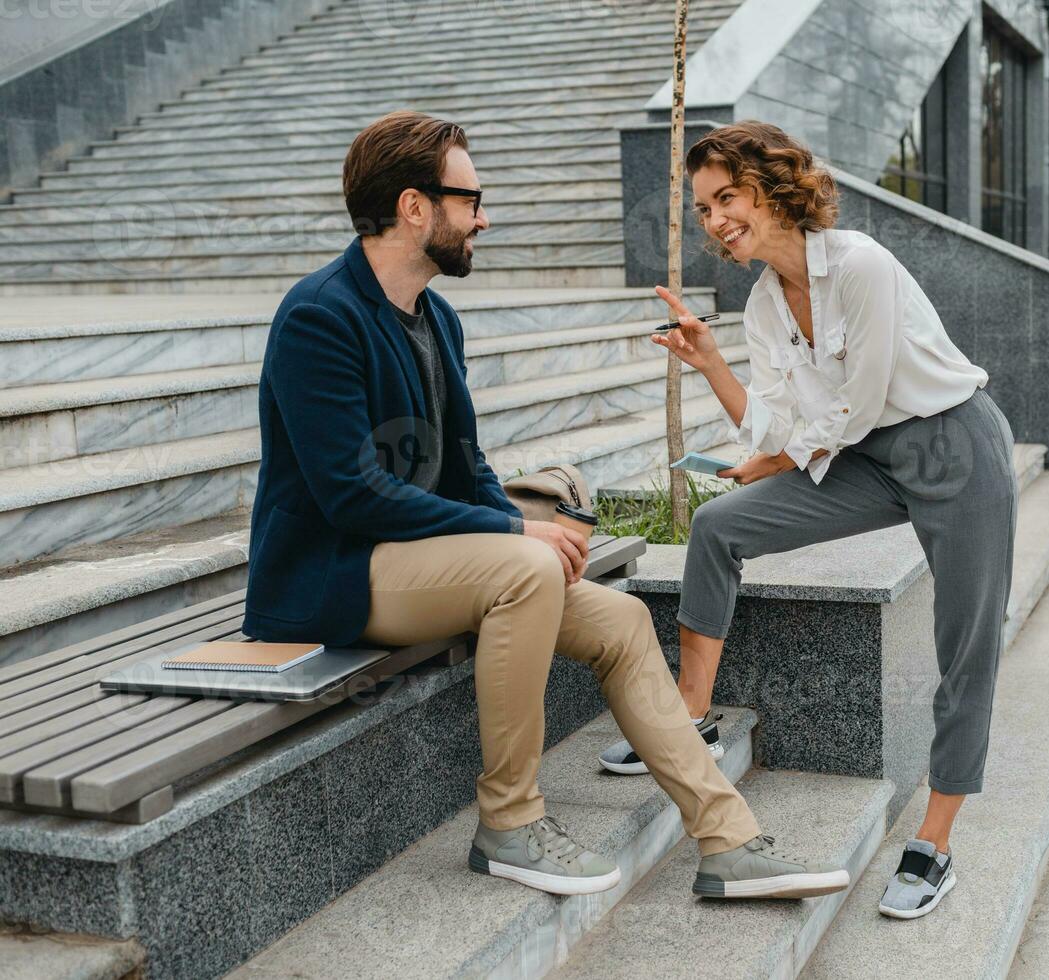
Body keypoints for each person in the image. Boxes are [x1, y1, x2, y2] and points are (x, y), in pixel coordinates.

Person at [242, 111, 848, 900]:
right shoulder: (320, 316)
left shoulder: (435, 317)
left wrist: (525, 522)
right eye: (471, 198)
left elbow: (464, 467)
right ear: (414, 207)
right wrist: (511, 530)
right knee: (526, 568)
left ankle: (727, 842)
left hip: (421, 562)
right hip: (329, 575)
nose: (483, 217)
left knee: (623, 620)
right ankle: (509, 823)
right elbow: (349, 493)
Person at [598, 121, 1018, 919]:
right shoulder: (763, 303)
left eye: (728, 197)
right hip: (863, 457)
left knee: (967, 649)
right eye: (703, 208)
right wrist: (711, 364)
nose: (716, 219)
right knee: (721, 528)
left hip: (955, 449)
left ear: (772, 183)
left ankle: (934, 843)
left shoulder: (860, 265)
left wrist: (780, 458)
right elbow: (777, 422)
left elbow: (856, 403)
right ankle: (691, 723)